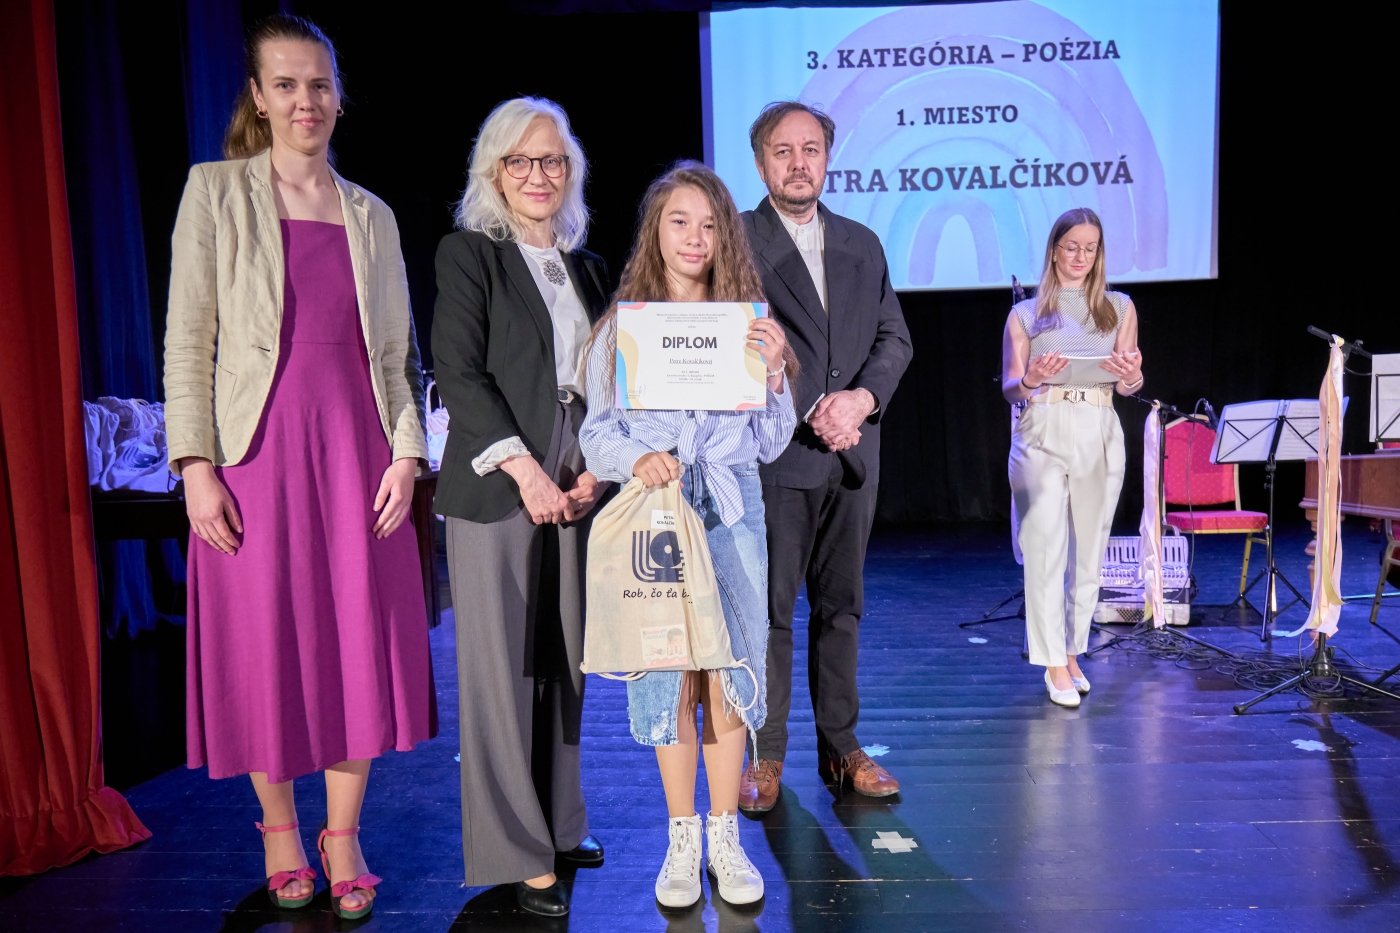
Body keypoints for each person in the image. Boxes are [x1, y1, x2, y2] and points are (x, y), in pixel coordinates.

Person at [164, 14, 432, 921]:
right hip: (255, 453)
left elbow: (398, 355)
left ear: (338, 96)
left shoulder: (372, 214)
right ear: (258, 97)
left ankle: (342, 834)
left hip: (358, 450)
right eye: (285, 84)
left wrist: (407, 452)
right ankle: (280, 830)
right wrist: (195, 464)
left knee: (357, 637)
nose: (304, 100)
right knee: (265, 641)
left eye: (318, 84)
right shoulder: (214, 192)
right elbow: (188, 340)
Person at [578, 162, 797, 908]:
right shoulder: (622, 330)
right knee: (669, 670)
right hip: (660, 515)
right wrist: (634, 459)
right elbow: (596, 433)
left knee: (728, 670)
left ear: (724, 236)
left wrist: (775, 373)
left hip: (733, 513)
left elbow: (771, 440)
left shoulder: (748, 326)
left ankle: (726, 835)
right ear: (656, 231)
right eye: (679, 221)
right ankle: (682, 837)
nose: (695, 237)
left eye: (709, 224)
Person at [431, 97, 610, 918]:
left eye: (553, 161)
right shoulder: (470, 253)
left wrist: (597, 470)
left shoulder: (588, 267)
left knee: (567, 659)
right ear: (494, 171)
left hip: (578, 478)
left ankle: (562, 821)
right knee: (502, 674)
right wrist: (527, 472)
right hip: (499, 481)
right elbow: (460, 373)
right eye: (521, 161)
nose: (539, 175)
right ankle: (516, 848)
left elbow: (610, 380)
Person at [737, 102, 913, 812]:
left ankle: (841, 746)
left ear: (828, 158)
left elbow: (894, 338)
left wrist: (861, 400)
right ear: (761, 164)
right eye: (783, 151)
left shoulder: (861, 242)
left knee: (842, 608)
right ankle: (765, 754)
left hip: (853, 456)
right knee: (771, 612)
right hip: (778, 453)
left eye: (810, 149)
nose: (798, 163)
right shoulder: (735, 242)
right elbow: (732, 340)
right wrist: (815, 404)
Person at [1002, 207, 1144, 707]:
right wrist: (1032, 378)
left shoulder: (1119, 308)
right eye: (1071, 247)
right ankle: (1052, 663)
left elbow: (1128, 383)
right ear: (1054, 250)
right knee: (1044, 548)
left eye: (1090, 248)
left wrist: (1133, 375)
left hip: (1098, 424)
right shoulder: (1026, 314)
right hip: (1042, 424)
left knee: (1089, 551)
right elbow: (1011, 387)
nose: (1081, 256)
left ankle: (1071, 650)